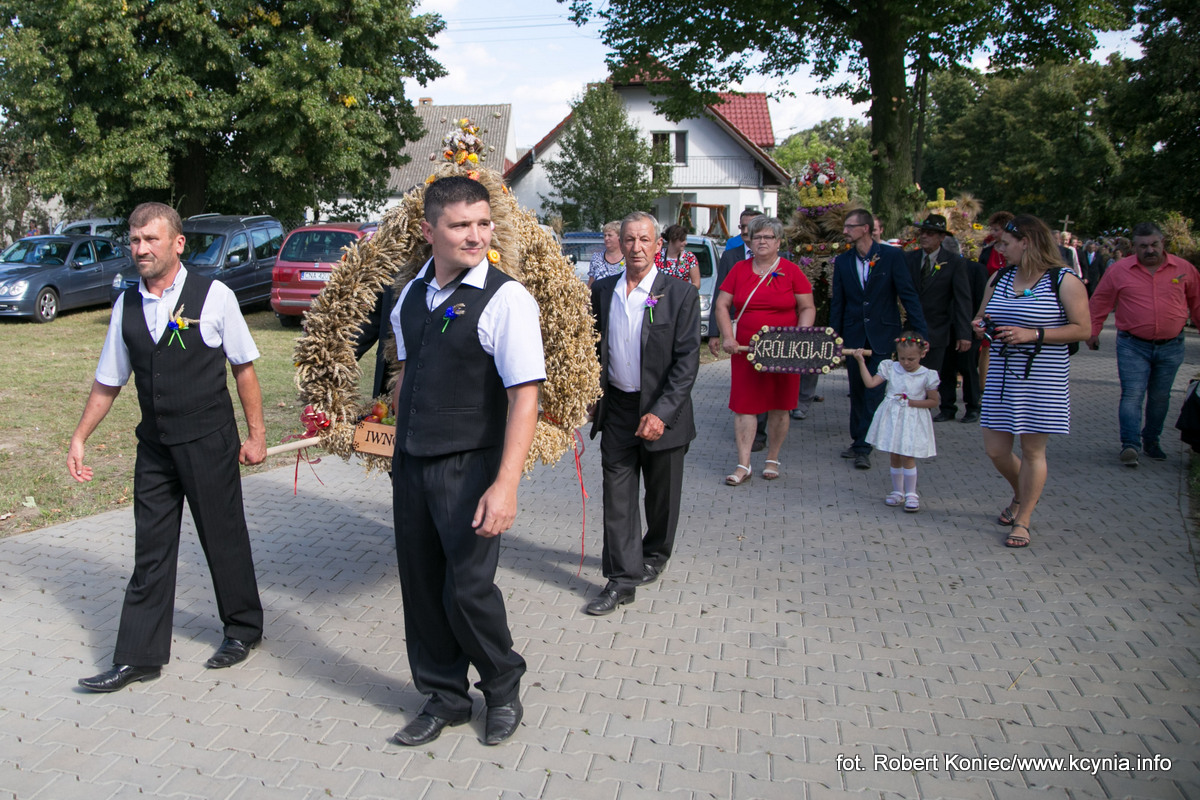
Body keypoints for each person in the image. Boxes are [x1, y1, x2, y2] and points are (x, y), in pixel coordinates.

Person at [68, 202, 266, 693]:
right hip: (154, 447)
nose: (140, 249)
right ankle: (139, 656)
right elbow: (108, 381)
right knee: (151, 549)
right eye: (134, 241)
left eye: (151, 240)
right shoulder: (125, 306)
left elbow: (244, 367)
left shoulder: (215, 296)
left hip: (208, 439)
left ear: (177, 243)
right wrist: (79, 437)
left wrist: (256, 434)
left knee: (222, 536)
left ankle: (243, 629)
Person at [387, 176, 545, 747]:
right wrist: (390, 440)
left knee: (468, 590)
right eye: (460, 225)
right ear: (430, 231)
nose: (476, 235)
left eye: (482, 223)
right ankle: (445, 696)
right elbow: (406, 375)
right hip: (412, 465)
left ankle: (502, 685)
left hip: (471, 467)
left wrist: (506, 484)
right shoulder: (410, 294)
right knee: (423, 588)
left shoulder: (507, 299)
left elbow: (525, 395)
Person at [588, 211, 699, 616]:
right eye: (629, 239)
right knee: (617, 495)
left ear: (657, 244)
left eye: (644, 240)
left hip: (662, 411)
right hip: (618, 408)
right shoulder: (602, 291)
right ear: (619, 241)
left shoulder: (681, 295)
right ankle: (621, 579)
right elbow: (591, 350)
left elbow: (687, 362)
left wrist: (662, 412)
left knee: (661, 496)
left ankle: (655, 553)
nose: (635, 247)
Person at [973, 214, 1089, 548]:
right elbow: (983, 317)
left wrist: (1033, 334)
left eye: (1006, 244)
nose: (1001, 250)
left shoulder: (1064, 281)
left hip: (1042, 378)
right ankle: (1021, 493)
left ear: (1027, 242)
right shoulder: (1000, 277)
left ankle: (1023, 519)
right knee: (996, 450)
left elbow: (1083, 329)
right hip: (1002, 375)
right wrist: (980, 326)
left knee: (1032, 450)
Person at [1086, 222, 1200, 467]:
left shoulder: (1184, 269)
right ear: (1133, 247)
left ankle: (1152, 440)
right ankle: (1130, 445)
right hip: (1132, 345)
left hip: (1172, 345)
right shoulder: (1119, 270)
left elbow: (1197, 303)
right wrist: (1092, 332)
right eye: (1143, 246)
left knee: (1160, 396)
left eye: (1154, 245)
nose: (1150, 250)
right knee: (1132, 394)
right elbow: (1100, 302)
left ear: (1163, 243)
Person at [713, 215, 816, 484]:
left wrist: (800, 337)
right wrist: (727, 336)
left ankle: (772, 458)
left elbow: (807, 307)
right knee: (744, 406)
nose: (761, 241)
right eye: (756, 236)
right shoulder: (739, 269)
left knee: (780, 405)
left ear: (778, 242)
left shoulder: (792, 271)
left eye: (767, 237)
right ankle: (743, 464)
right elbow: (722, 305)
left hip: (783, 350)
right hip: (746, 351)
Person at [830, 208, 927, 470]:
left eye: (850, 226)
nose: (845, 231)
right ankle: (858, 440)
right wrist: (834, 338)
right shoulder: (843, 261)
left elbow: (908, 295)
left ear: (865, 228)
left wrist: (921, 333)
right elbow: (838, 302)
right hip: (854, 334)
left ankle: (863, 445)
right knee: (857, 389)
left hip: (883, 334)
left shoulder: (892, 256)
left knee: (875, 389)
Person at [847, 333, 940, 512]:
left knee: (907, 454)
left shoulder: (927, 375)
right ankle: (897, 491)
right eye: (902, 358)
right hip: (892, 417)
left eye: (911, 359)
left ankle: (911, 493)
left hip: (912, 418)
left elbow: (934, 401)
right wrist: (860, 361)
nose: (906, 362)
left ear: (922, 354)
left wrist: (912, 402)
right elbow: (871, 383)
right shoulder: (890, 367)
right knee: (894, 454)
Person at [904, 214, 972, 421]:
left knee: (930, 375)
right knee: (908, 373)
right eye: (922, 232)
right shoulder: (910, 258)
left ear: (941, 237)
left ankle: (927, 413)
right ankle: (908, 413)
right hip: (911, 327)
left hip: (939, 328)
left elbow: (962, 300)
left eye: (930, 233)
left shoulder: (953, 263)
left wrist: (964, 333)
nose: (924, 237)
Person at [709, 208, 767, 450]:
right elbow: (719, 296)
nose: (745, 231)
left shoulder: (776, 259)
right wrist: (715, 332)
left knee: (763, 380)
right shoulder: (731, 256)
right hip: (737, 331)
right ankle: (747, 427)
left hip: (766, 331)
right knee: (745, 382)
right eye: (742, 226)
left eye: (750, 226)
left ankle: (760, 433)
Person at [976, 211, 1013, 392]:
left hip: (1009, 300)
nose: (993, 233)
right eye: (993, 229)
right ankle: (983, 386)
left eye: (997, 230)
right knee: (986, 346)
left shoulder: (1015, 254)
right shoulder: (988, 251)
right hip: (990, 299)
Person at [655, 224, 701, 288]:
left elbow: (697, 284)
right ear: (672, 239)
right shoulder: (657, 256)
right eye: (682, 240)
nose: (686, 243)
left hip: (681, 296)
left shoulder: (689, 258)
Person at [588, 220, 624, 288]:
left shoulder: (627, 259)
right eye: (605, 235)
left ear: (619, 237)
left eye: (610, 235)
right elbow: (591, 284)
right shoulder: (596, 258)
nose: (606, 238)